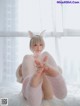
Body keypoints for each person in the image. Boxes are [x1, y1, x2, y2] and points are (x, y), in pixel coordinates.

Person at [16, 31, 67, 106]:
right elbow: (20, 75)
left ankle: (51, 73)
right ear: (31, 46)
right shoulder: (28, 58)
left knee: (46, 55)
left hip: (48, 88)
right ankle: (32, 81)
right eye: (35, 45)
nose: (38, 47)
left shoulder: (45, 55)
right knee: (27, 57)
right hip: (33, 89)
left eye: (41, 45)